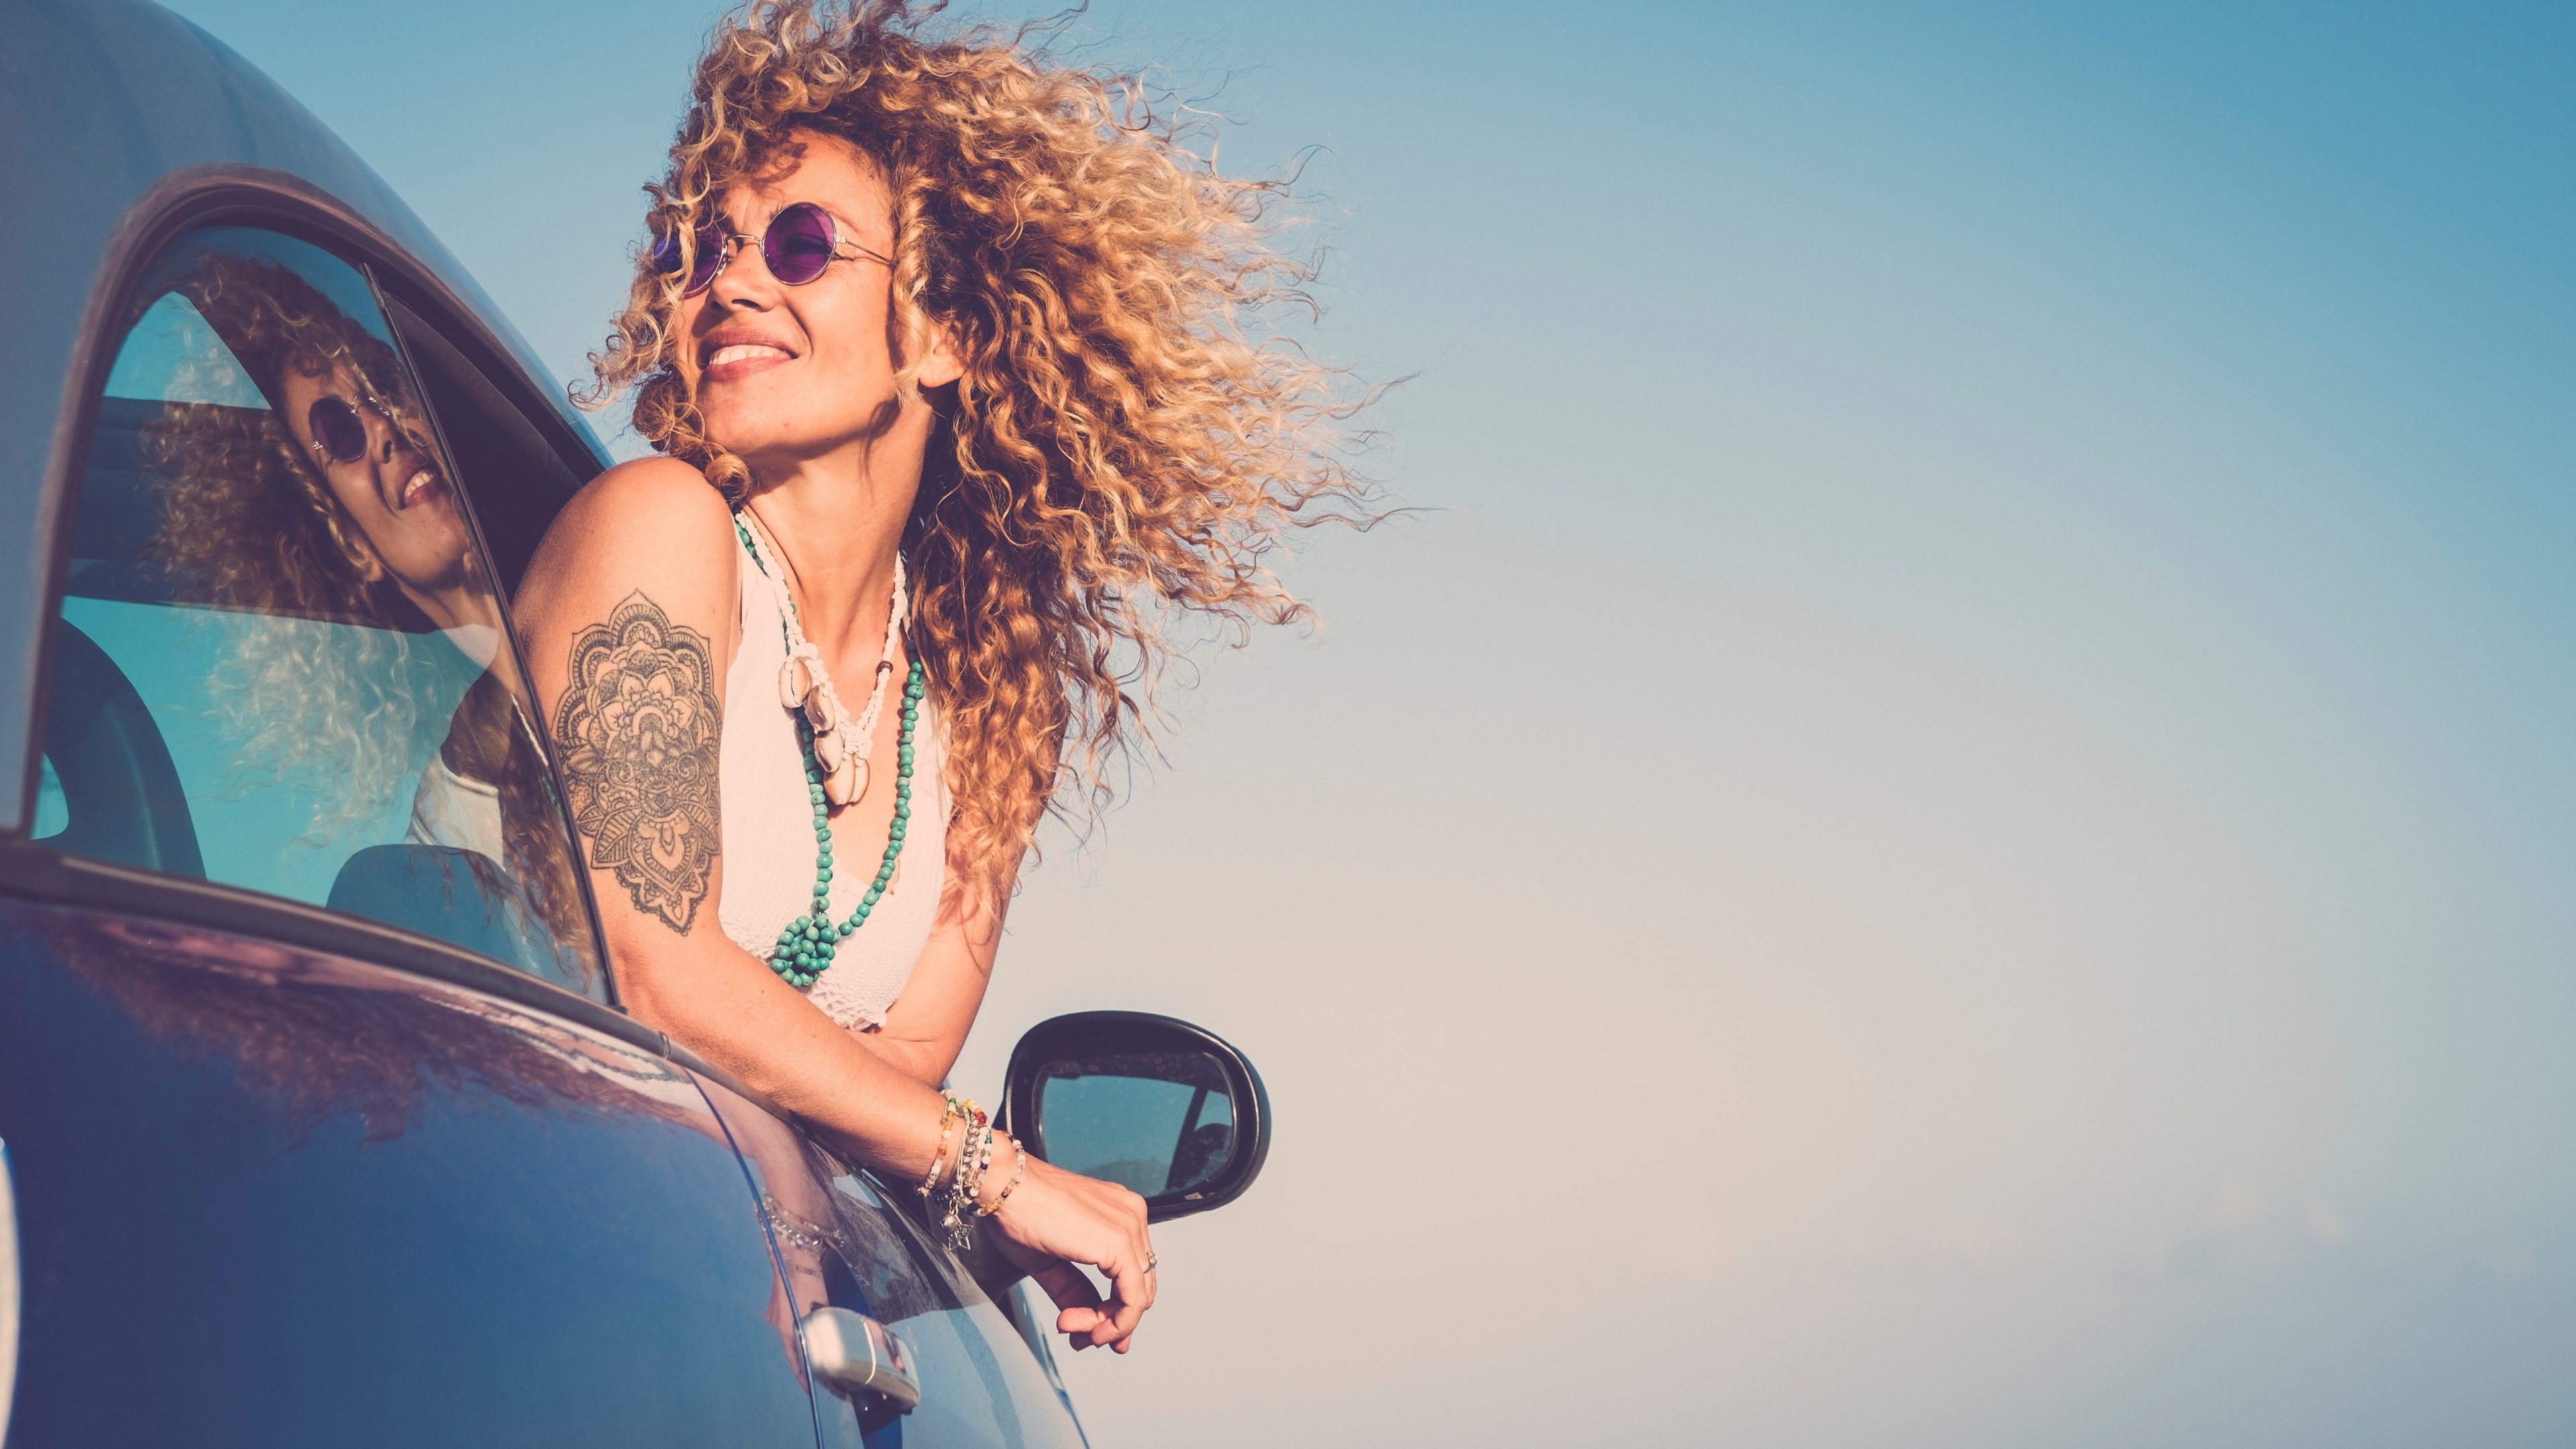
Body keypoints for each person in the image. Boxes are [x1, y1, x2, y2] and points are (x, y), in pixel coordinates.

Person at [515, 0, 1366, 1354]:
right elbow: (652, 960)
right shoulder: (659, 525)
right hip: (512, 1211)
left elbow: (895, 1077)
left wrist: (1000, 1208)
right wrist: (1002, 1173)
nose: (729, 285)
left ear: (947, 333)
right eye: (698, 251)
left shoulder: (988, 697)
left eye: (802, 246)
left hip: (693, 1291)